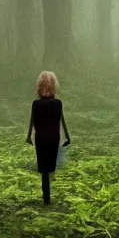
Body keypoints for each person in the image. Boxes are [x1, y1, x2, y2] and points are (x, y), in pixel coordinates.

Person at [26, 71, 71, 205]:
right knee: (50, 166)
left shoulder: (36, 104)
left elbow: (32, 122)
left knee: (44, 169)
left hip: (40, 138)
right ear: (54, 87)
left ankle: (46, 197)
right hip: (53, 137)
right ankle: (48, 195)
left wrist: (28, 136)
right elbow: (63, 122)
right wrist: (68, 137)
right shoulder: (58, 103)